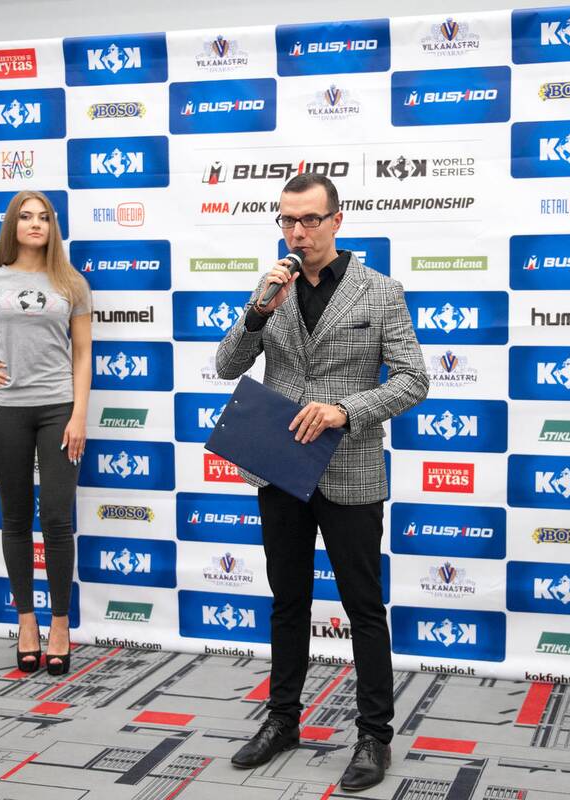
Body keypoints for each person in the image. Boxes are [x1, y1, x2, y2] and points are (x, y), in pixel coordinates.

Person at [215, 174, 428, 789]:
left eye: (309, 219)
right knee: (288, 602)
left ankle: (374, 736)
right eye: (287, 220)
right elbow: (227, 364)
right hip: (280, 467)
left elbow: (414, 380)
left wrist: (345, 411)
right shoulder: (270, 288)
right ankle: (282, 720)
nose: (298, 232)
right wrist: (258, 313)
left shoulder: (380, 291)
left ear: (337, 220)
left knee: (363, 607)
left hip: (349, 467)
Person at [0, 191, 91, 677]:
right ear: (13, 225)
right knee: (14, 519)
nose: (35, 224)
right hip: (7, 411)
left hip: (58, 410)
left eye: (43, 217)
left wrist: (78, 414)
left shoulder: (72, 283)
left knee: (56, 518)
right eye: (26, 217)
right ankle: (26, 623)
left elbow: (82, 354)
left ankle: (60, 625)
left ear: (52, 227)